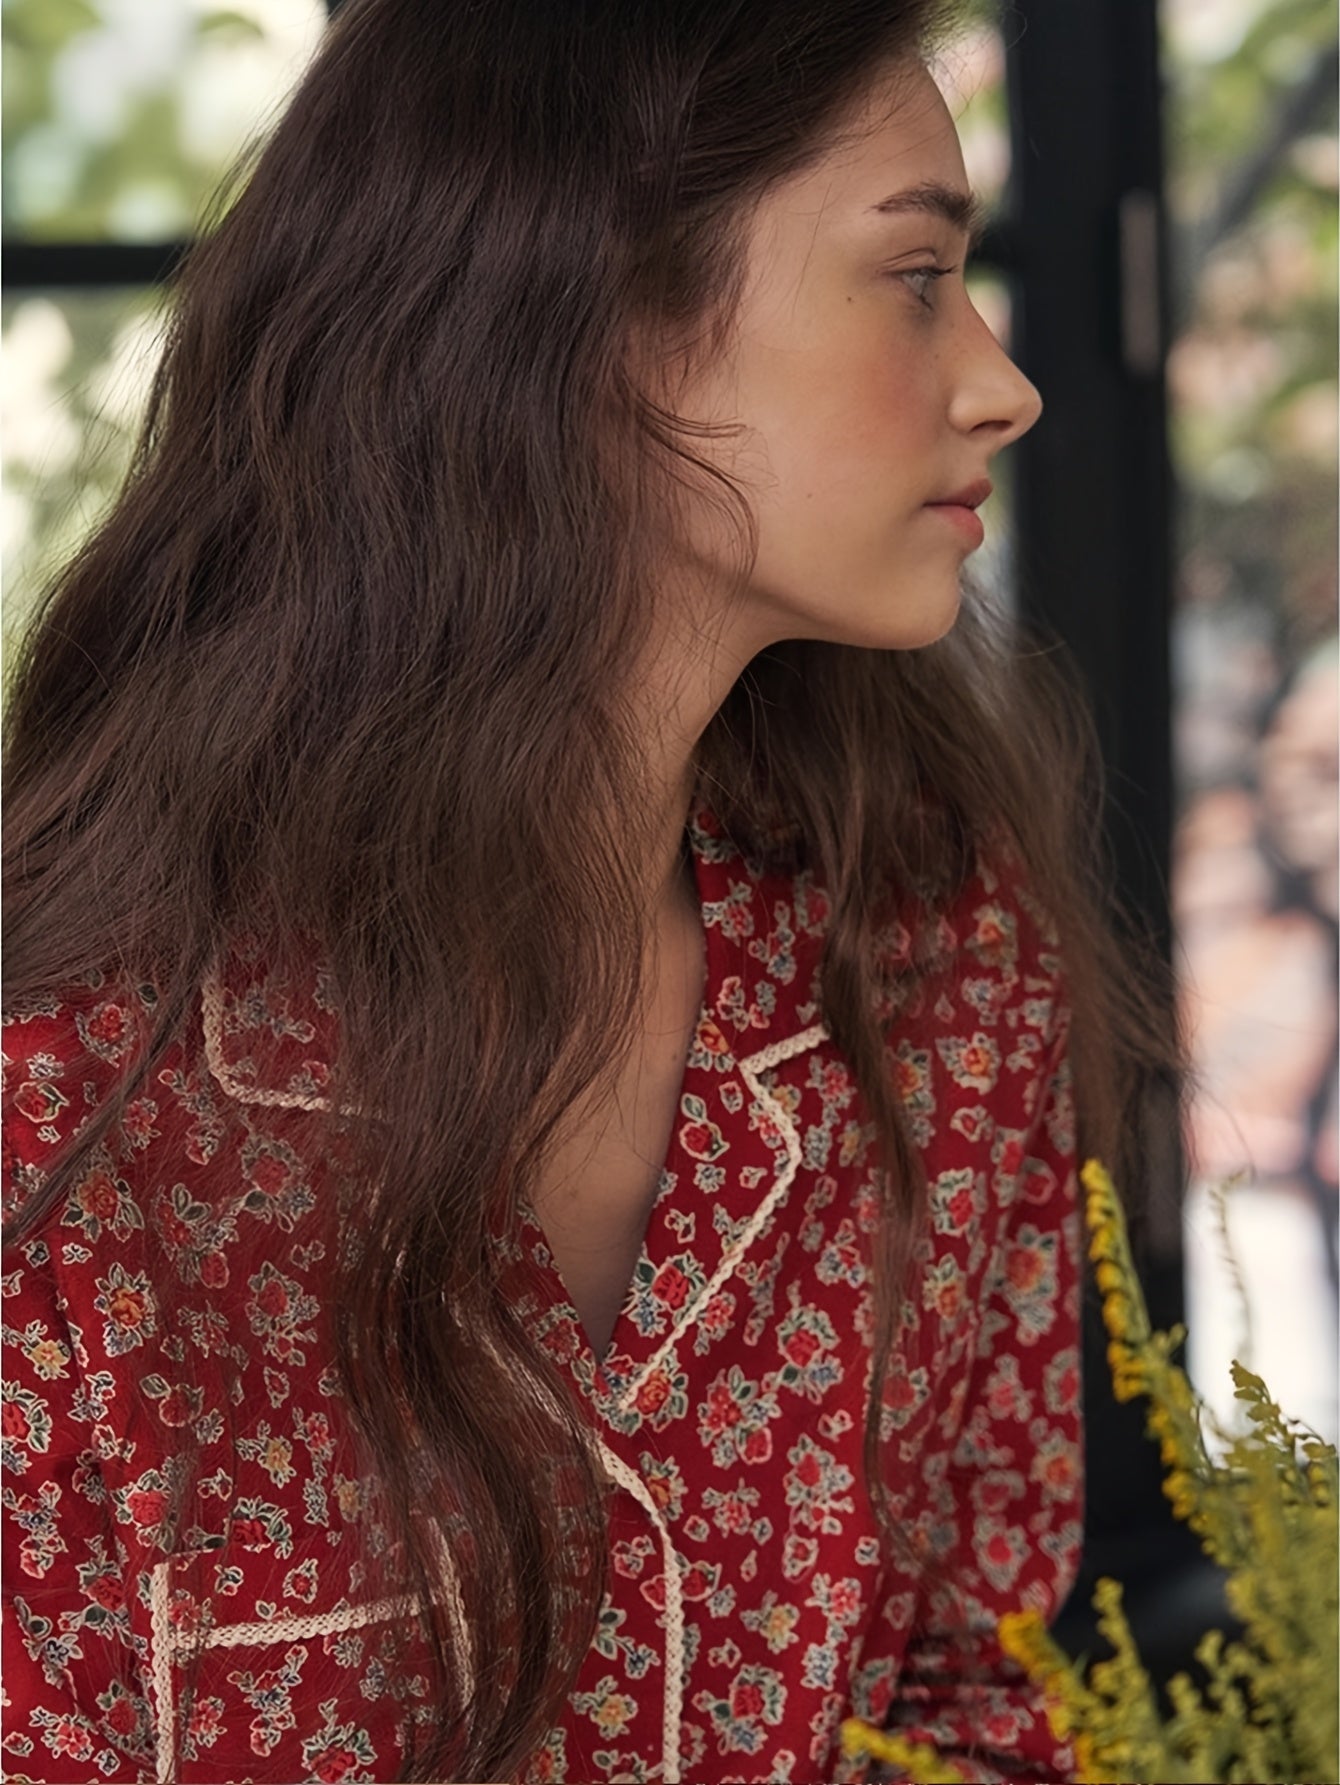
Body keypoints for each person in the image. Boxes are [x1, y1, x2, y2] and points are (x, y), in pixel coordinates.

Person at [1, 0, 1184, 1780]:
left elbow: (980, 1700)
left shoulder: (938, 958)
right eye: (916, 277)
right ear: (604, 317)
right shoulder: (66, 1101)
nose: (1002, 383)